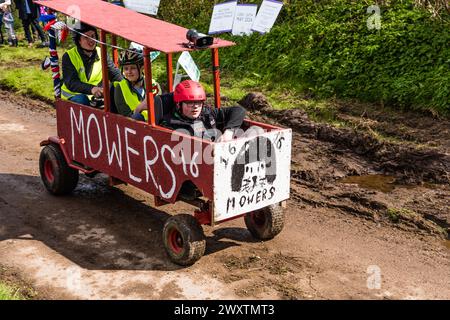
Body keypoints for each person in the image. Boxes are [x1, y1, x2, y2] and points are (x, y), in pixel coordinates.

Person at [133, 80, 246, 142]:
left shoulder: (206, 112)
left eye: (198, 102)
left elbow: (239, 110)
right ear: (179, 105)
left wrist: (229, 132)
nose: (195, 107)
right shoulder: (169, 124)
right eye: (189, 103)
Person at [61, 23, 122, 106]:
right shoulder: (68, 56)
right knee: (82, 99)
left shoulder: (102, 53)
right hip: (73, 96)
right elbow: (71, 82)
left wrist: (127, 85)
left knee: (117, 93)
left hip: (95, 96)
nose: (91, 40)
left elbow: (114, 74)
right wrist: (92, 89)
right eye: (86, 37)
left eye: (93, 36)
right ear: (78, 40)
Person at [114, 48, 160, 121]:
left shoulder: (153, 84)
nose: (129, 72)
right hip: (134, 128)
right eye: (126, 69)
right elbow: (125, 119)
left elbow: (160, 111)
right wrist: (140, 107)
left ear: (142, 68)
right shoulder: (120, 88)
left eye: (133, 68)